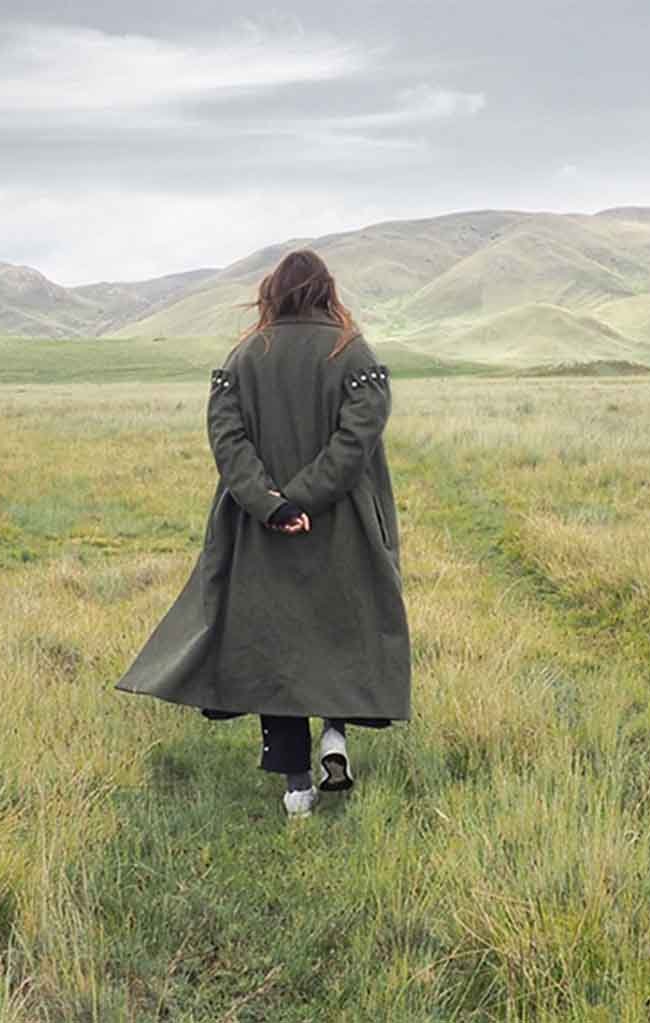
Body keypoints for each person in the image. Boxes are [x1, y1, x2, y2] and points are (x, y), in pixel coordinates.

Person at [114, 249, 411, 818]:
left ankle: (296, 784)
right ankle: (335, 736)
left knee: (278, 647)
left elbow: (229, 444)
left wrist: (272, 506)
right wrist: (307, 498)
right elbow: (356, 442)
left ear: (271, 293)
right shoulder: (356, 354)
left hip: (261, 530)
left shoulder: (245, 356)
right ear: (328, 291)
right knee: (338, 630)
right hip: (341, 525)